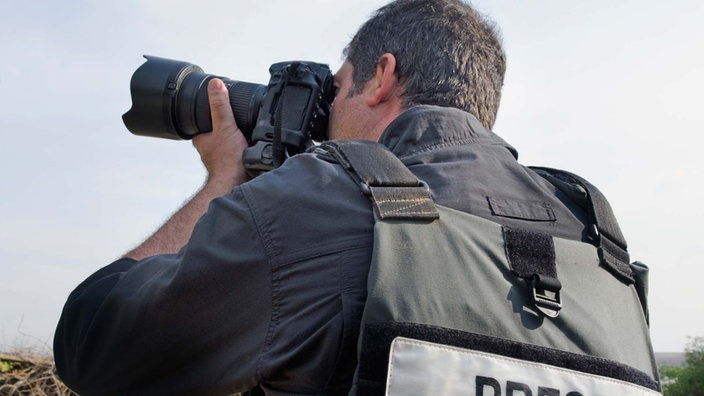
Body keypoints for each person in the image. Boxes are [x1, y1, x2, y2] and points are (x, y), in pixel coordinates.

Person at [54, 0, 590, 394]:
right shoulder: (590, 233)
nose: (328, 116)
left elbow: (94, 346)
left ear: (381, 78)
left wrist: (225, 177)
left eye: (338, 87)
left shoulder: (325, 204)